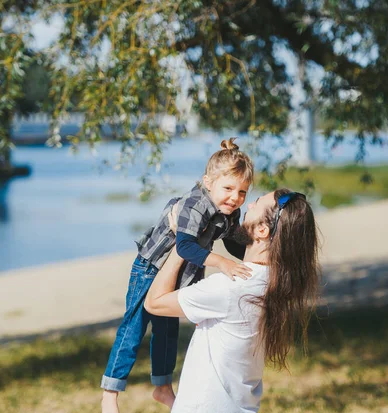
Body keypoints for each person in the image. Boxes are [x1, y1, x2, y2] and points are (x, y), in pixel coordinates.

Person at [101, 139, 255, 413]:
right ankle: (110, 392)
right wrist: (222, 263)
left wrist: (256, 257)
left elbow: (232, 243)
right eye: (229, 188)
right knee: (134, 328)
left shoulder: (230, 211)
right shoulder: (195, 204)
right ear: (208, 182)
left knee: (167, 331)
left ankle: (162, 388)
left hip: (182, 274)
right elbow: (185, 246)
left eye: (243, 191)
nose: (236, 197)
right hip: (150, 268)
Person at [145, 189, 321, 412]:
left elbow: (154, 302)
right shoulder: (274, 284)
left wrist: (183, 243)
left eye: (255, 204)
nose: (247, 206)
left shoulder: (231, 287)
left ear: (262, 230)